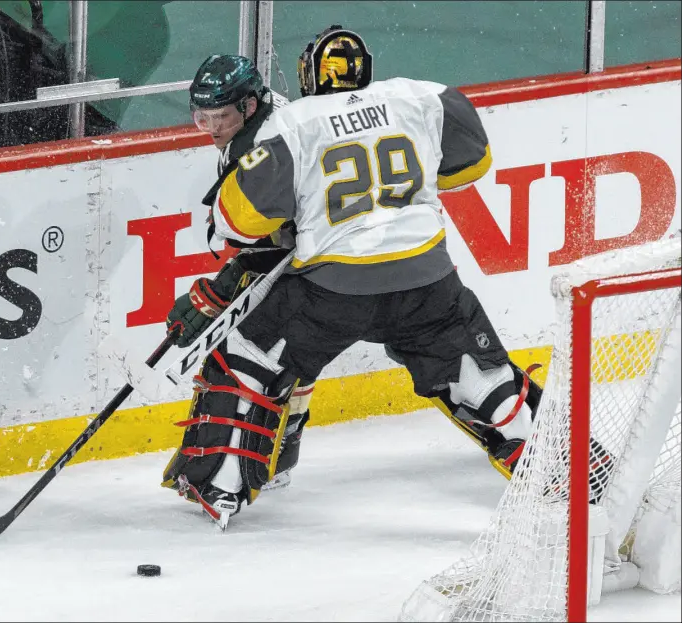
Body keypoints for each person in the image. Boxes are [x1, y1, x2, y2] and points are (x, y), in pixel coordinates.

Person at [165, 26, 543, 529]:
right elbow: (470, 164)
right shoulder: (420, 95)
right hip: (427, 281)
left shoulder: (293, 123)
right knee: (483, 378)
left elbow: (236, 222)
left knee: (247, 363)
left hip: (332, 290)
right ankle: (570, 472)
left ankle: (221, 484)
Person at [161, 55, 315, 517]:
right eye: (201, 117)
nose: (210, 127)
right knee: (289, 349)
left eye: (221, 117)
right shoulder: (262, 124)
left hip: (331, 253)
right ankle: (281, 452)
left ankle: (231, 472)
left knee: (249, 351)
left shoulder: (268, 143)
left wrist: (225, 285)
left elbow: (287, 230)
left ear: (249, 106)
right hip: (326, 249)